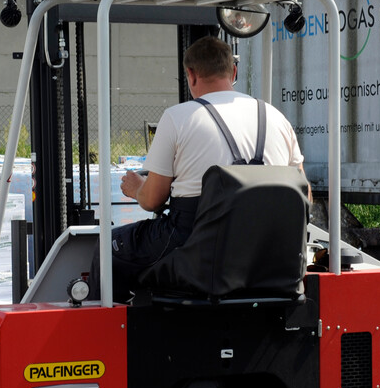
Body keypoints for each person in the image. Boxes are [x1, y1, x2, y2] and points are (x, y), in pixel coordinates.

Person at [90, 35, 306, 302]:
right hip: (271, 249)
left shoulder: (178, 117)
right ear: (233, 72)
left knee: (109, 247)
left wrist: (137, 189)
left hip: (196, 243)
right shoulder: (276, 117)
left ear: (191, 75)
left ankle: (121, 326)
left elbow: (152, 200)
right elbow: (304, 193)